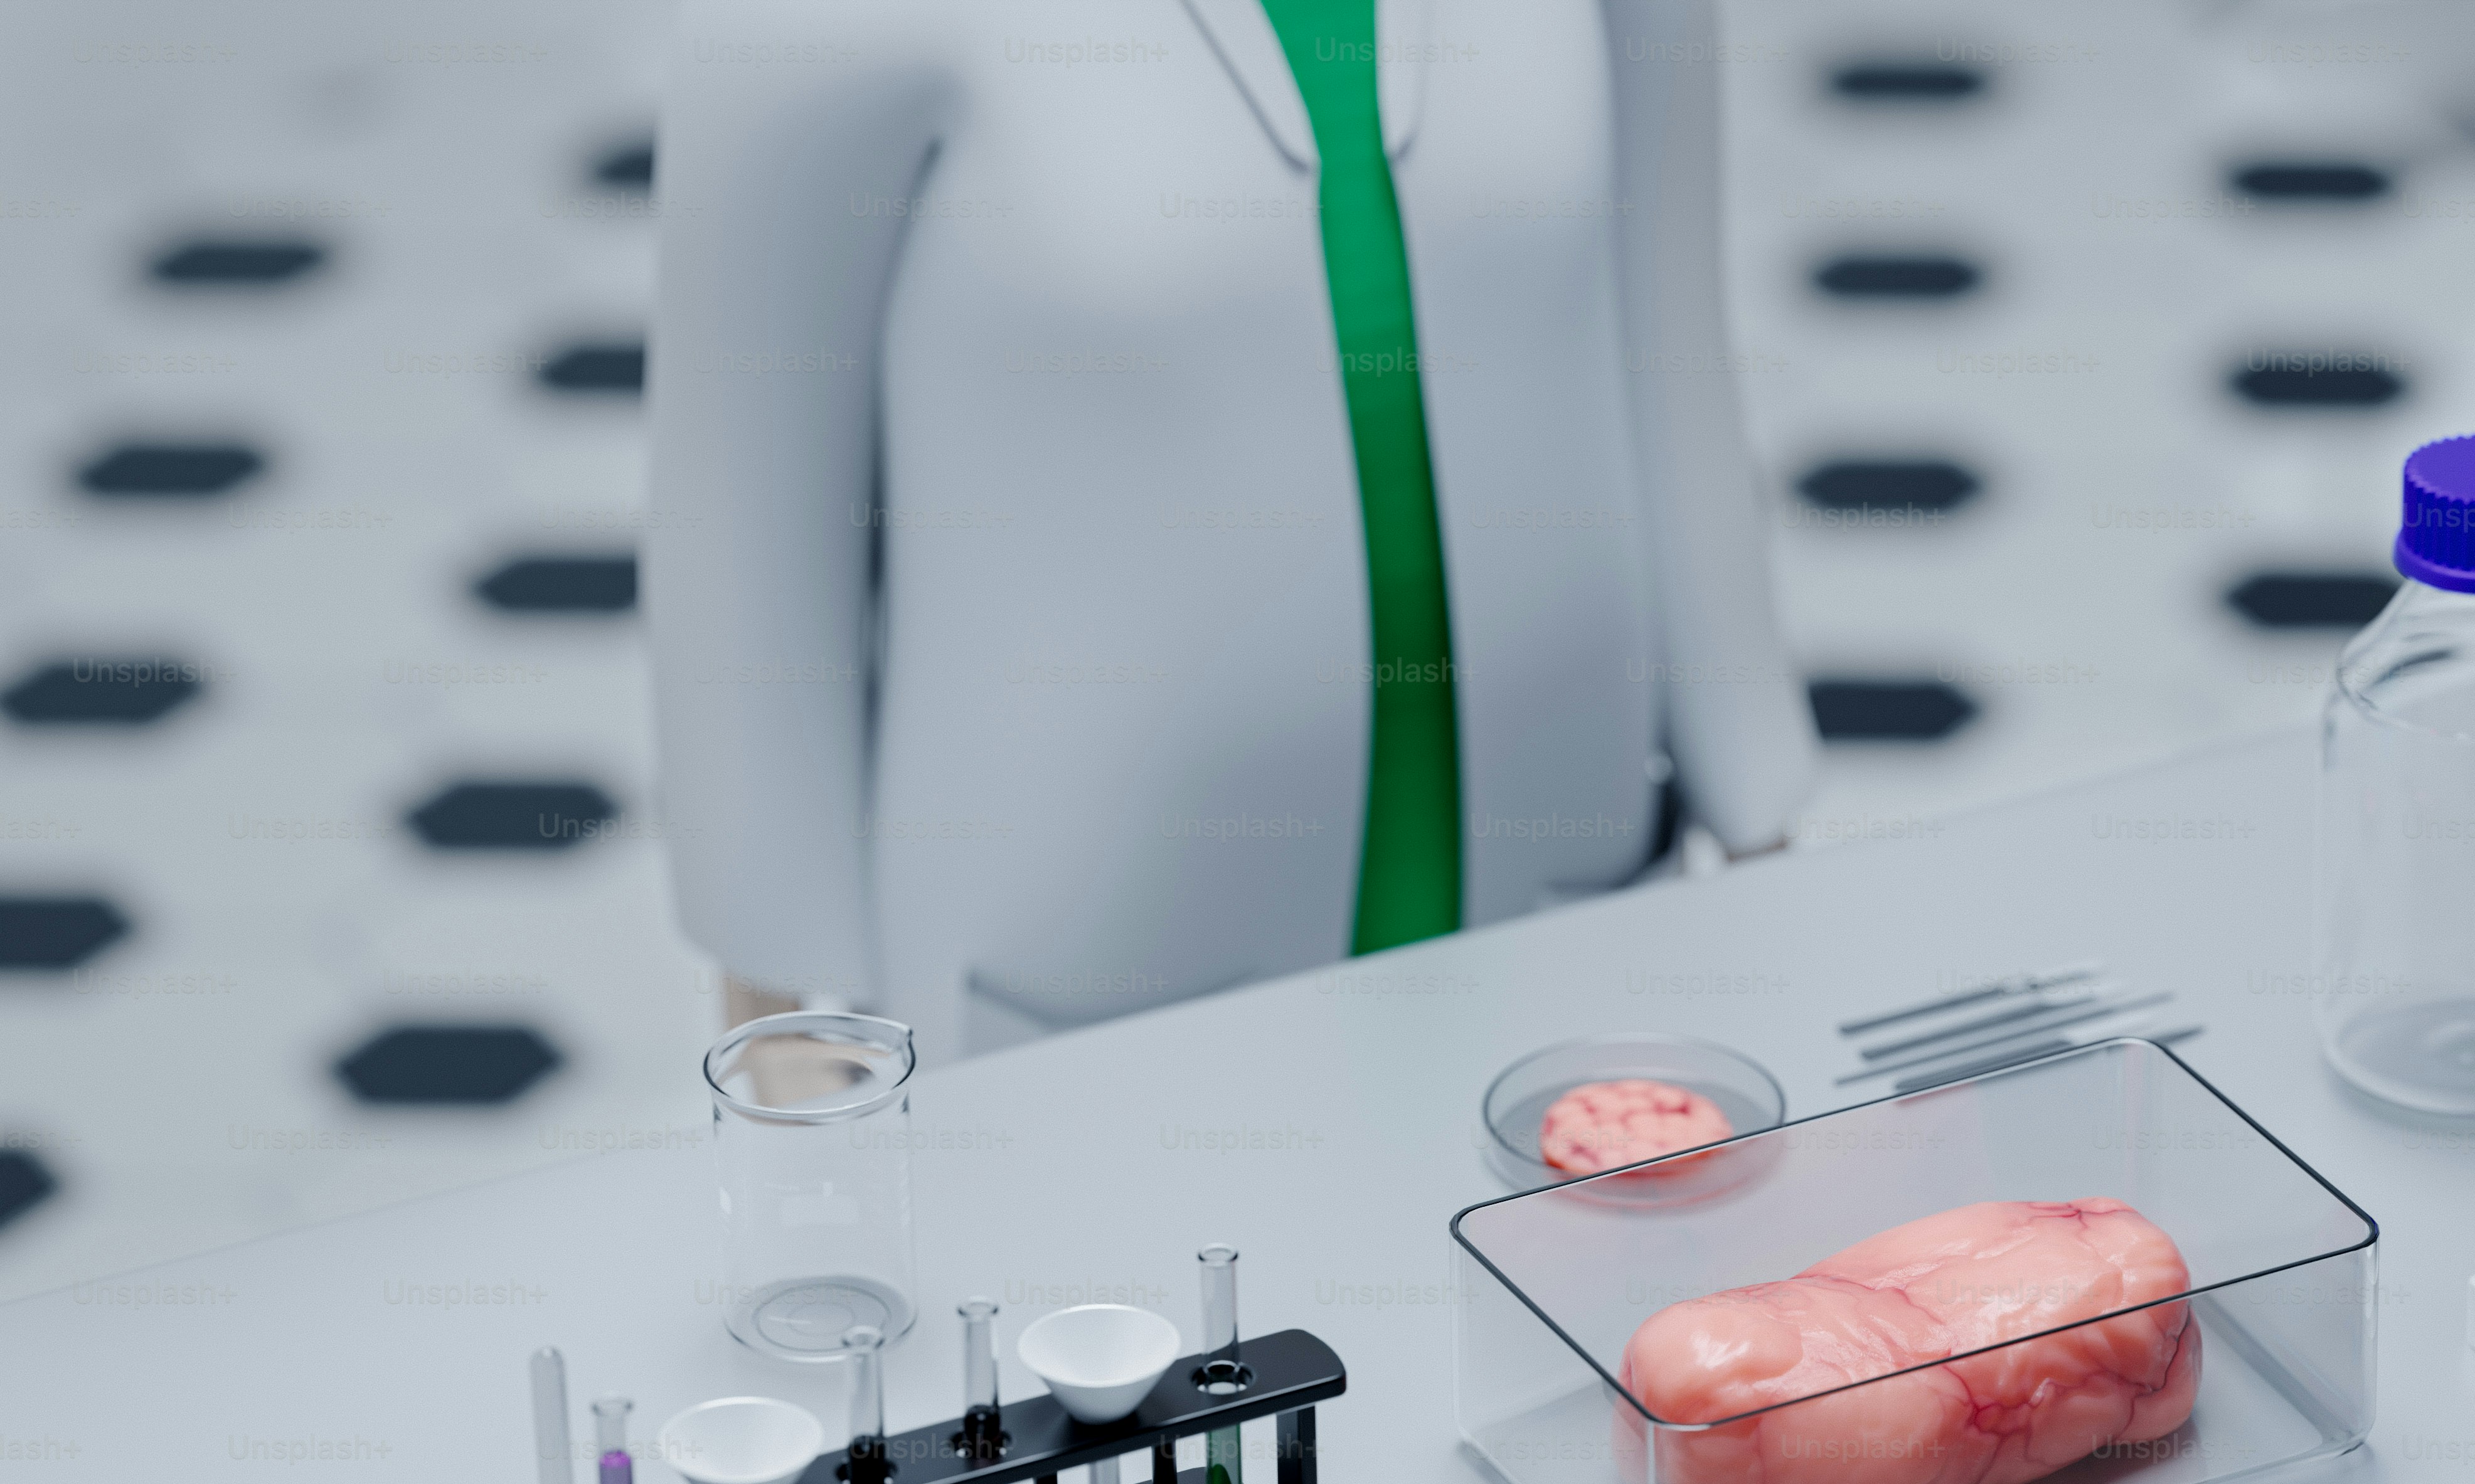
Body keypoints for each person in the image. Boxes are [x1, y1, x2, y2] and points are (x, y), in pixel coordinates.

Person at [649, 0, 1815, 1054]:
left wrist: (1760, 816)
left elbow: (1672, 349)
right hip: (1087, 980)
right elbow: (747, 544)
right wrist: (790, 1062)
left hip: (1573, 893)